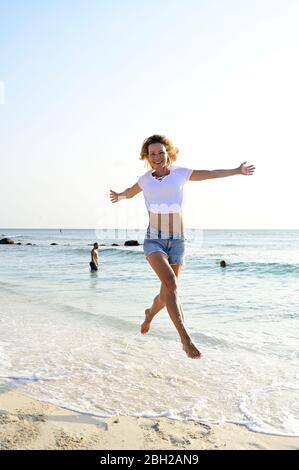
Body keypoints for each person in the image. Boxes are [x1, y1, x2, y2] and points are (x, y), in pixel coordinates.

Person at [110, 135, 255, 359]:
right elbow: (129, 193)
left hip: (178, 241)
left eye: (160, 152)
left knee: (166, 293)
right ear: (147, 157)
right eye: (152, 154)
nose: (156, 157)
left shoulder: (180, 174)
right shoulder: (145, 179)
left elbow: (210, 174)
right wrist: (119, 196)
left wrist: (236, 170)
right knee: (171, 285)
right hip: (154, 239)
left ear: (168, 153)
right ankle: (185, 340)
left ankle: (149, 314)